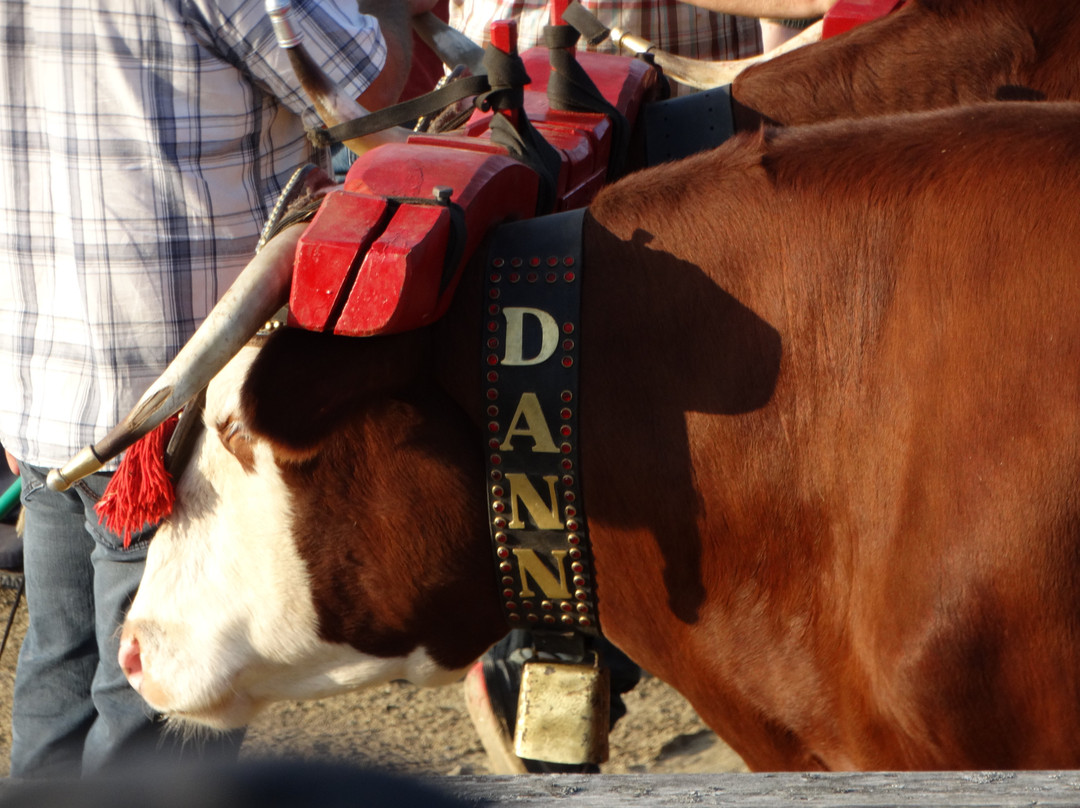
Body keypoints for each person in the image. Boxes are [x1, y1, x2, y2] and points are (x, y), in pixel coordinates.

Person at [0, 0, 432, 779]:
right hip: (179, 412)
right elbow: (371, 97)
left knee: (57, 680)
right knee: (157, 705)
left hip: (43, 385)